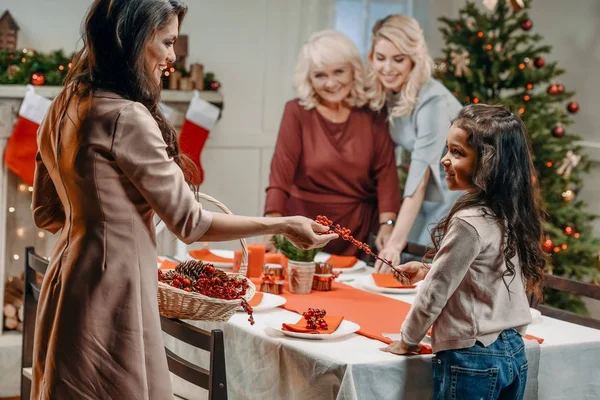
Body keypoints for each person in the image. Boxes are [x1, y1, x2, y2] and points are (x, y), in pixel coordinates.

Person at [30, 1, 337, 398]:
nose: (173, 56)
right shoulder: (127, 116)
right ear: (135, 39)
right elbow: (191, 224)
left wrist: (96, 220)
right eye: (168, 42)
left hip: (66, 277)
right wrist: (282, 223)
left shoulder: (66, 101)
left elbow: (44, 213)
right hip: (114, 290)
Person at [382, 104, 547, 400]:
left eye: (458, 153)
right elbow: (485, 275)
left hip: (472, 357)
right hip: (513, 350)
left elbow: (435, 291)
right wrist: (427, 269)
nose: (445, 160)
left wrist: (407, 340)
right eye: (448, 149)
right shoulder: (510, 212)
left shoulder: (467, 222)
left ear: (488, 163)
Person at [264, 30, 401, 256]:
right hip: (304, 233)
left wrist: (388, 226)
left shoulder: (373, 113)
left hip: (359, 233)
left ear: (353, 71)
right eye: (320, 75)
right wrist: (273, 226)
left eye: (339, 71)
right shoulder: (296, 112)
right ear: (308, 78)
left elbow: (386, 173)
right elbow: (280, 176)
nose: (331, 83)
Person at [366, 15, 463, 271]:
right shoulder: (389, 92)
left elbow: (420, 177)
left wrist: (395, 244)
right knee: (406, 261)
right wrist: (389, 223)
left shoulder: (433, 103)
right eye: (380, 57)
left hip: (461, 193)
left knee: (422, 264)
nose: (387, 68)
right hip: (429, 192)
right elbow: (387, 162)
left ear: (414, 60)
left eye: (398, 59)